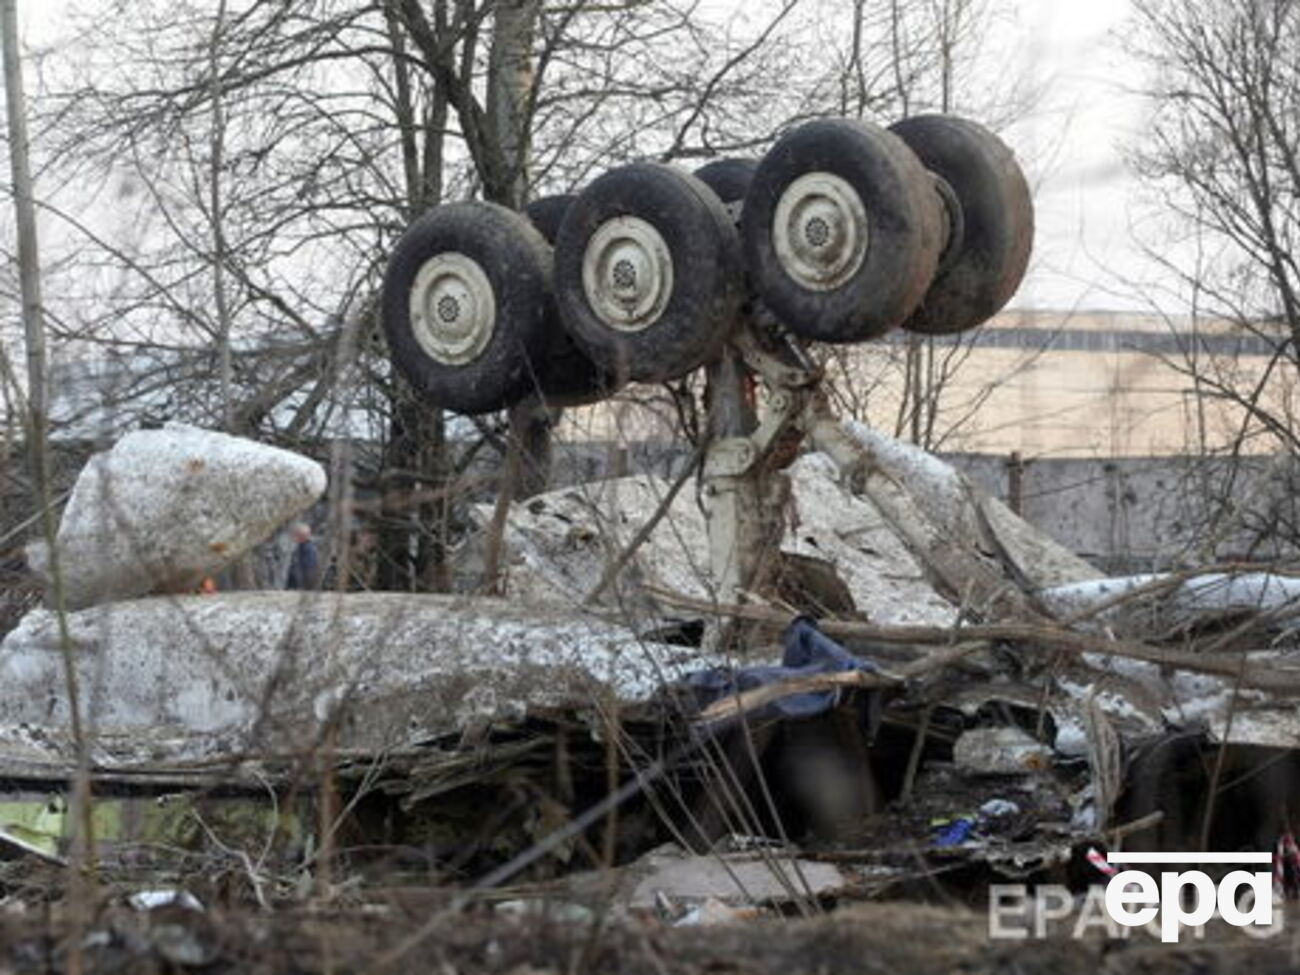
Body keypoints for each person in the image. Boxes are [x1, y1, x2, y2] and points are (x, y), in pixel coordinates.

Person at [284, 522, 321, 590]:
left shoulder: (309, 549)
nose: (293, 537)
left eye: (296, 534)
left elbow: (308, 569)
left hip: (303, 584)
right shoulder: (300, 548)